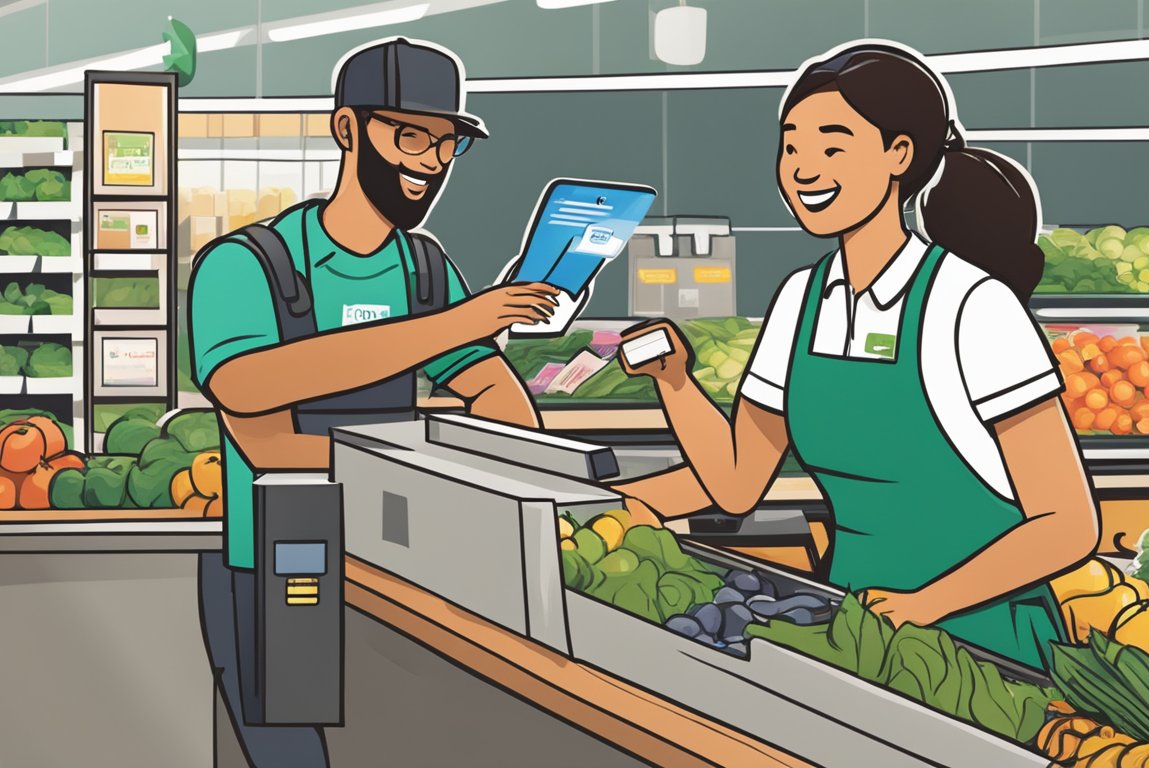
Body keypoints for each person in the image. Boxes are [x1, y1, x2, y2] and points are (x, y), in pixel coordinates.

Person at [614, 41, 1101, 671]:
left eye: (832, 144)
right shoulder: (800, 299)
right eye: (791, 146)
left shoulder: (972, 305)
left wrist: (927, 604)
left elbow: (1067, 522)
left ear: (899, 154)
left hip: (986, 644)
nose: (803, 168)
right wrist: (674, 383)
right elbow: (736, 485)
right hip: (854, 626)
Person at [188, 38, 557, 766]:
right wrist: (452, 334)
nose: (429, 161)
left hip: (404, 571)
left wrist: (512, 464)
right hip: (279, 570)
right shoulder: (248, 264)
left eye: (446, 142)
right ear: (348, 129)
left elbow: (491, 389)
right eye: (408, 134)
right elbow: (250, 403)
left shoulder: (422, 269)